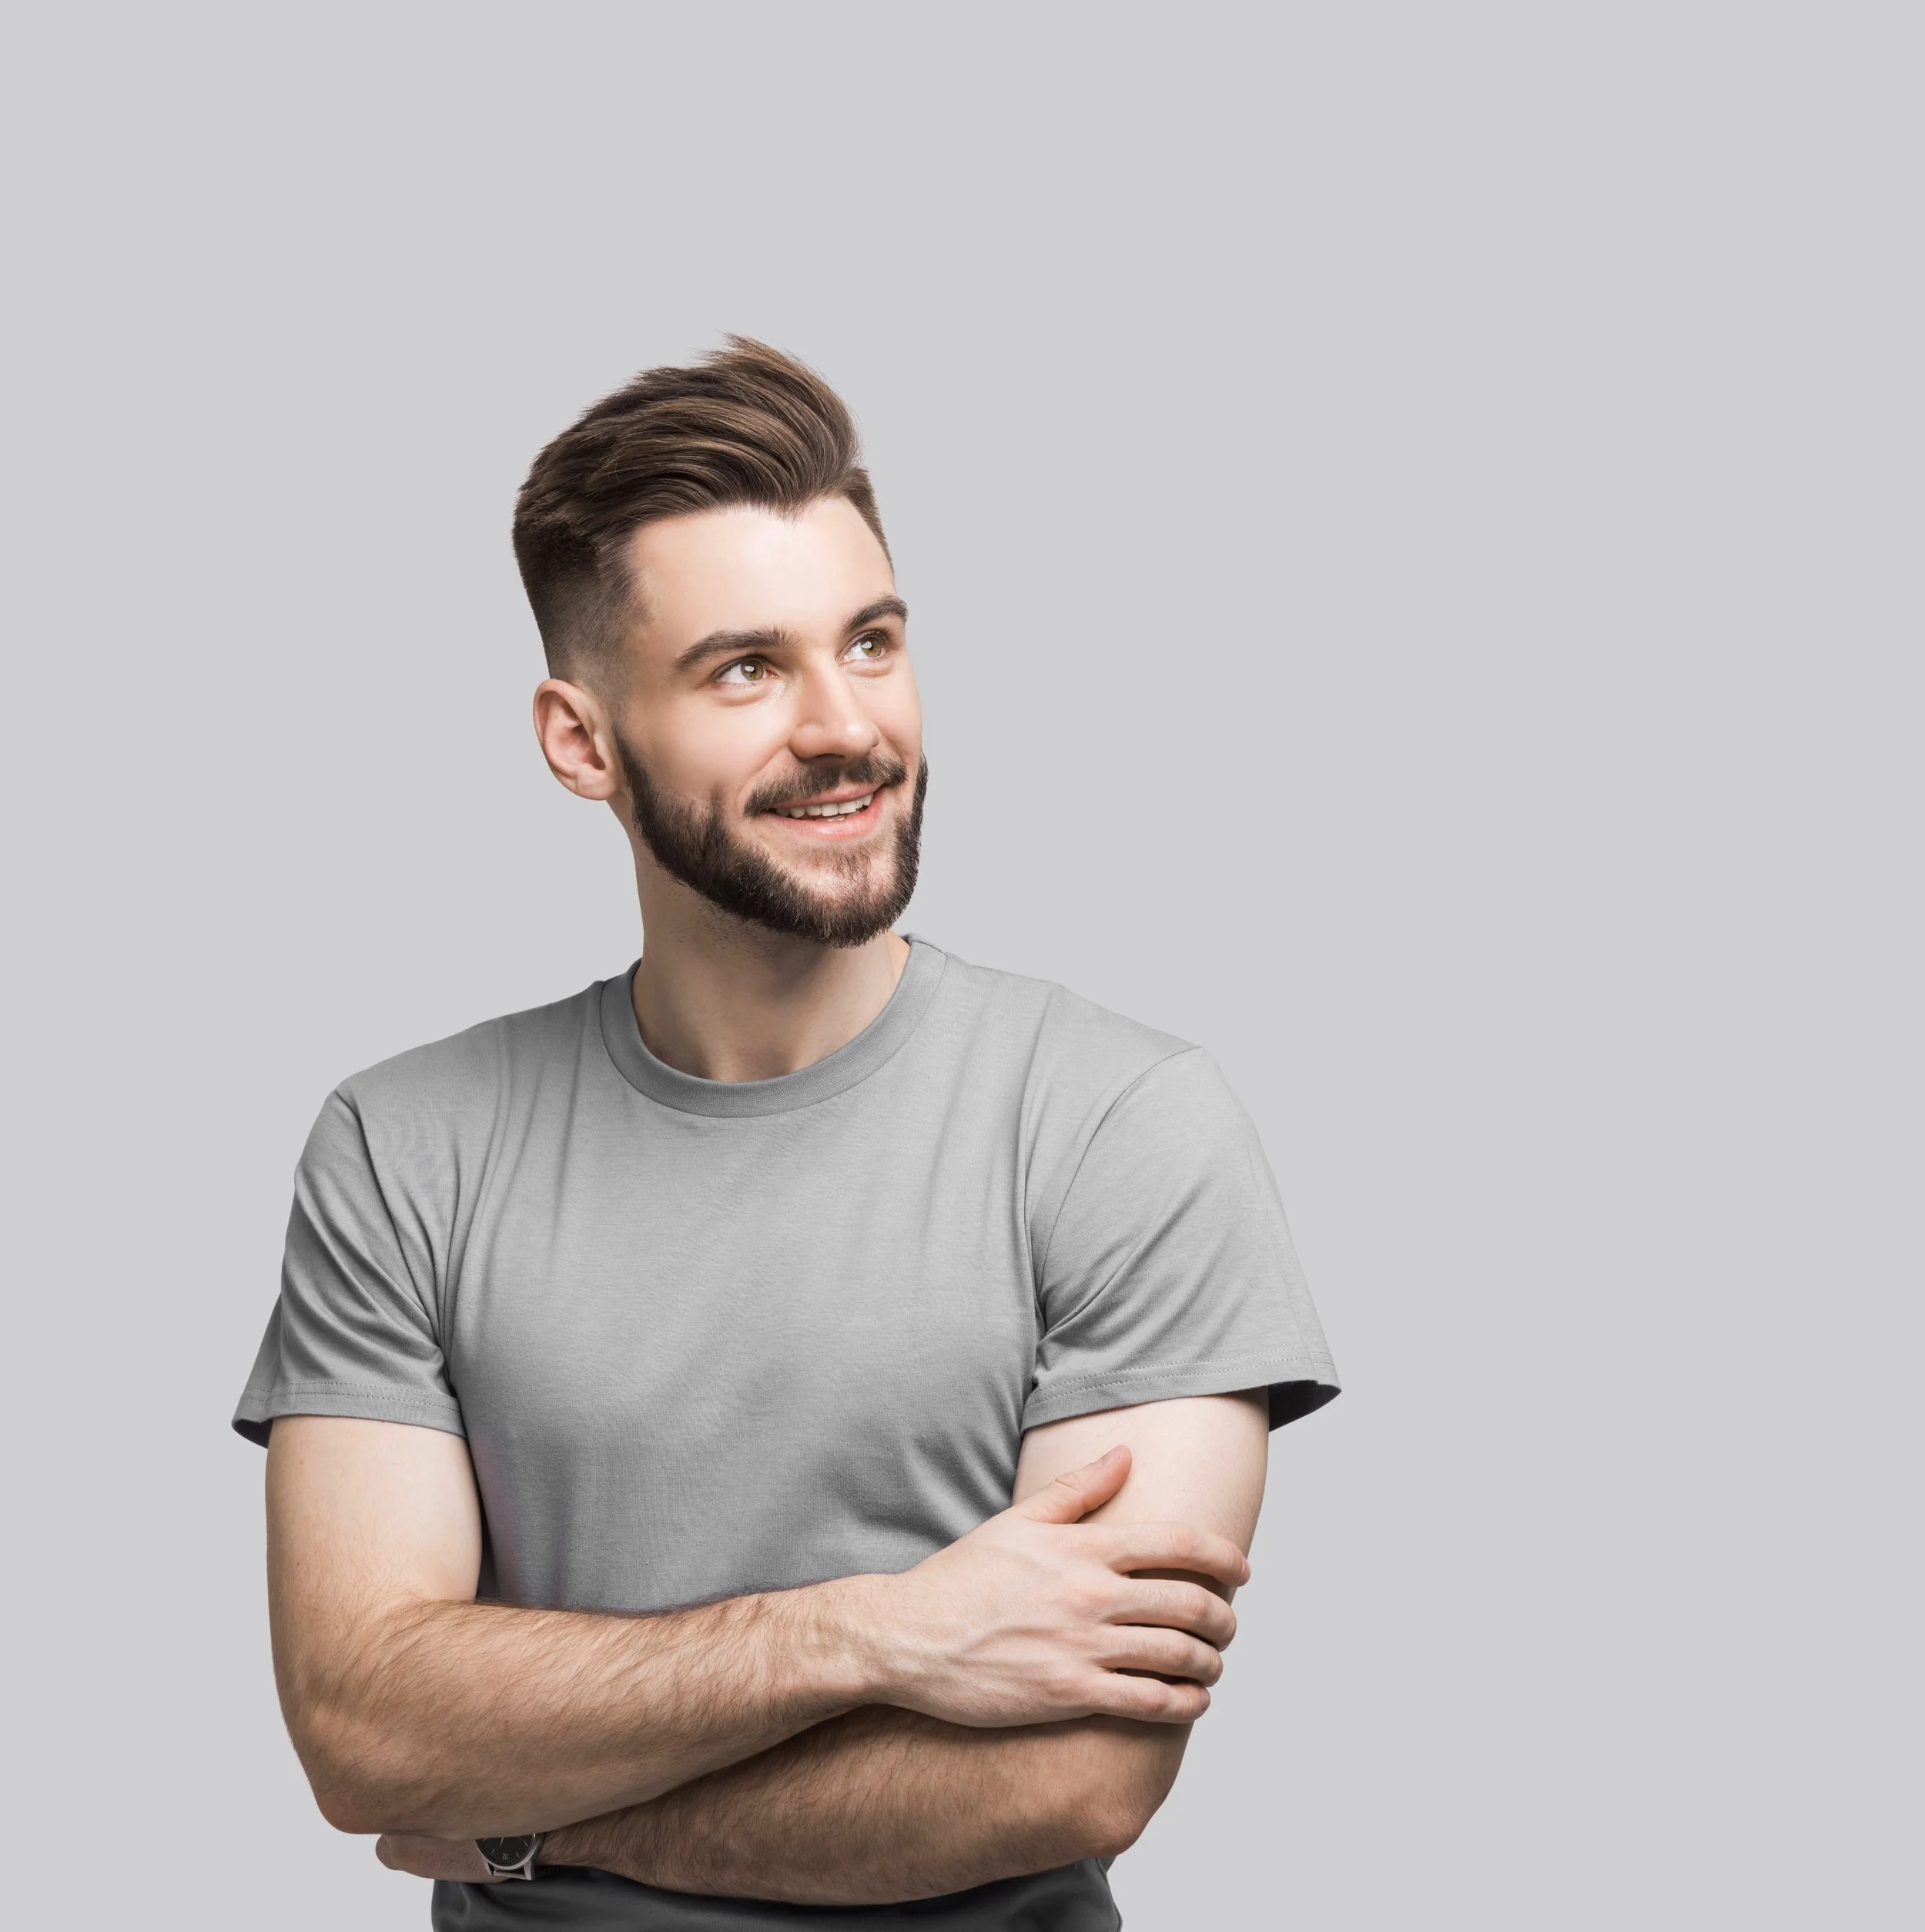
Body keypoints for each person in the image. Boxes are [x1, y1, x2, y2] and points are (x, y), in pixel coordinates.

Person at [234, 337, 1341, 1930]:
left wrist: (527, 1831)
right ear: (580, 741)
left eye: (872, 643)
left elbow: (1073, 1778)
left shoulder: (1117, 1123)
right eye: (745, 669)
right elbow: (362, 1729)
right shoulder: (404, 1150)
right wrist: (880, 1635)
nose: (846, 727)